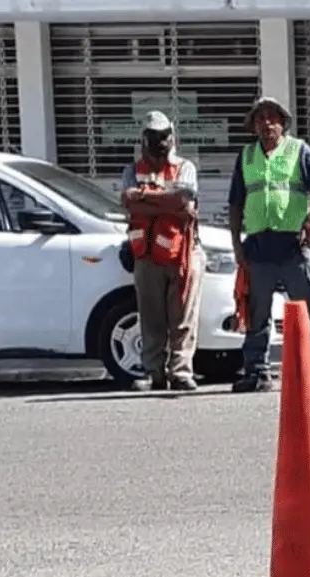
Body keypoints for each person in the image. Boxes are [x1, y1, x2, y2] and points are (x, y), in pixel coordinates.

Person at [228, 96, 310, 393]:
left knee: (309, 307)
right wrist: (236, 244)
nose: (266, 124)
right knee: (256, 313)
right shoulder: (247, 156)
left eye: (272, 118)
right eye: (260, 119)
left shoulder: (299, 151)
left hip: (292, 245)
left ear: (283, 123)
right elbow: (236, 203)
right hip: (258, 246)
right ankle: (257, 372)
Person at [119, 110, 203, 391]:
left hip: (183, 251)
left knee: (183, 316)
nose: (159, 142)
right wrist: (163, 202)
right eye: (153, 137)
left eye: (164, 136)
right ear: (143, 139)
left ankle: (180, 371)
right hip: (146, 254)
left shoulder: (185, 168)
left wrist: (144, 196)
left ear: (173, 137)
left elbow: (184, 200)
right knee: (151, 316)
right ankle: (153, 372)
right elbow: (129, 203)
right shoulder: (132, 170)